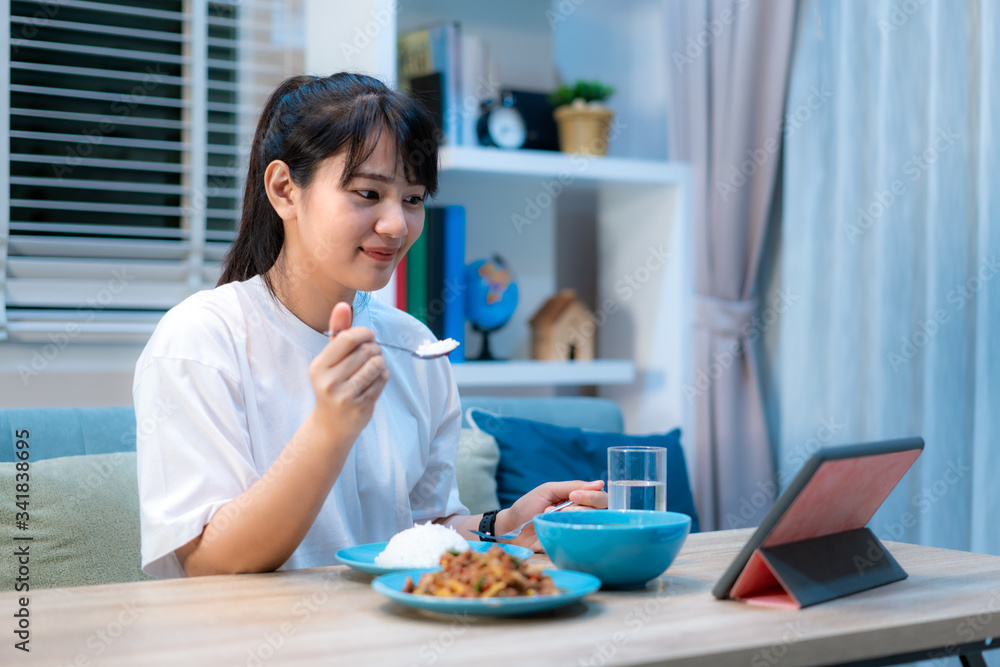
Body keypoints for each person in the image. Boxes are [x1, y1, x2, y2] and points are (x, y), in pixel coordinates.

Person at [134, 72, 607, 577]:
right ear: (284, 190)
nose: (397, 225)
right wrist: (329, 429)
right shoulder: (200, 340)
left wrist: (505, 522)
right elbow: (211, 563)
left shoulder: (413, 346)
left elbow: (421, 531)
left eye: (413, 198)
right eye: (367, 193)